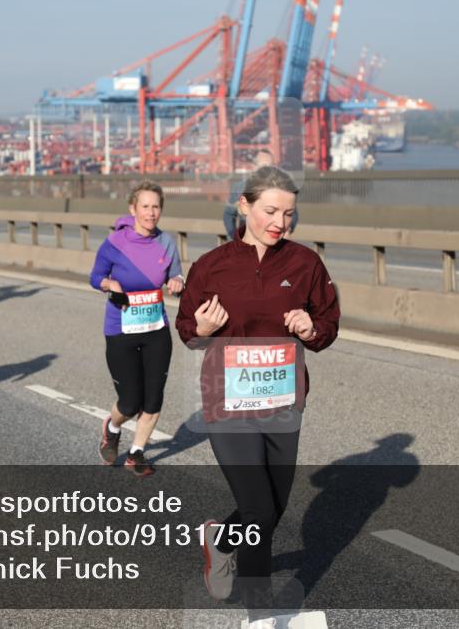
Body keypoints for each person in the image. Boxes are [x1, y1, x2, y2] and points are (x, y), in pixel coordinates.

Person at [176, 165, 339, 626]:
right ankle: (260, 616)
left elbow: (327, 325)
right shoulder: (212, 266)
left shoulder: (305, 264)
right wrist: (201, 329)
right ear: (244, 206)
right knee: (257, 507)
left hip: (283, 402)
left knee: (274, 507)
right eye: (270, 210)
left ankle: (222, 542)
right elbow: (187, 328)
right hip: (227, 401)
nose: (279, 222)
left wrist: (312, 329)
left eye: (288, 214)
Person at [89, 182, 185, 477]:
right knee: (130, 402)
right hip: (120, 329)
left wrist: (178, 283)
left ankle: (136, 453)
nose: (151, 212)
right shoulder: (116, 243)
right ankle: (113, 426)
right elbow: (95, 277)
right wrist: (109, 284)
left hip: (156, 329)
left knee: (153, 398)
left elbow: (176, 275)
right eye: (145, 206)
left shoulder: (166, 243)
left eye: (156, 207)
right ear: (133, 209)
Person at [223, 151, 299, 241]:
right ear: (254, 167)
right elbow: (228, 214)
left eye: (270, 166)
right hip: (247, 242)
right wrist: (235, 236)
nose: (266, 170)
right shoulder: (240, 188)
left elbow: (293, 213)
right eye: (263, 166)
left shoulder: (282, 188)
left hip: (275, 243)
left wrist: (288, 229)